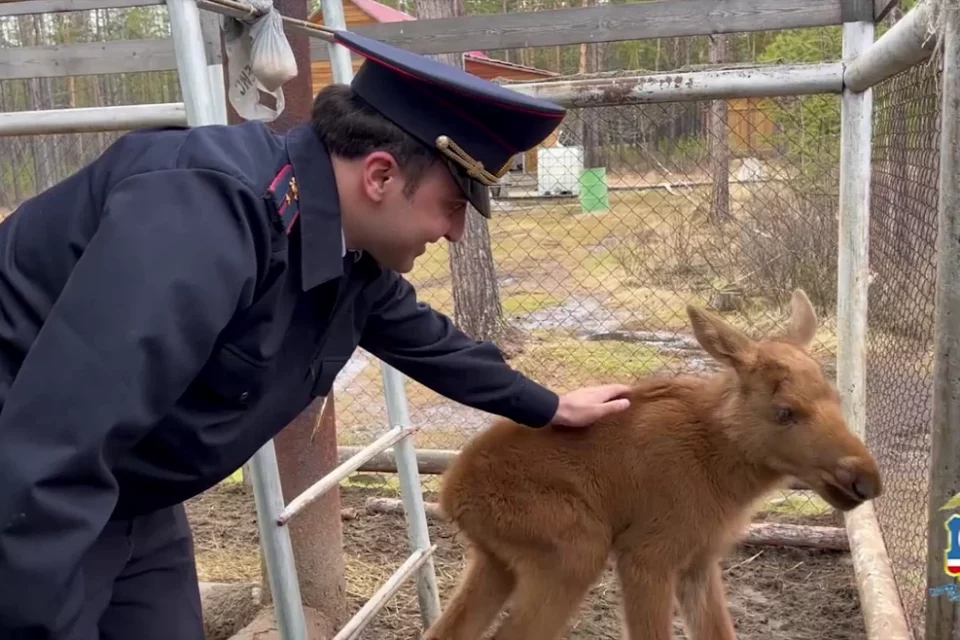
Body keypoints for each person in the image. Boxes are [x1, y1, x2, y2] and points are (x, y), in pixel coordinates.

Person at [0, 28, 631, 639]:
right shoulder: (204, 218)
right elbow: (50, 451)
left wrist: (548, 405)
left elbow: (426, 340)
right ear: (381, 176)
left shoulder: (339, 246)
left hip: (126, 491)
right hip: (34, 493)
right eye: (454, 205)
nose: (457, 233)